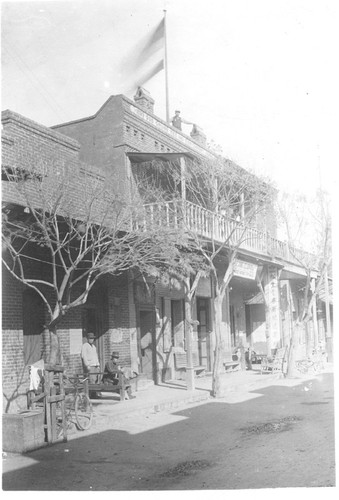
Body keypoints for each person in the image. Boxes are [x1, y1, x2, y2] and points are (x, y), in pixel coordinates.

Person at [81, 332, 101, 398]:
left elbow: (96, 356)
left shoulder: (94, 347)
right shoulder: (85, 346)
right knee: (91, 380)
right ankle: (92, 395)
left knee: (96, 379)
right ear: (87, 338)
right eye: (90, 338)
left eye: (92, 338)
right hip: (90, 365)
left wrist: (98, 365)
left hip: (95, 365)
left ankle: (96, 393)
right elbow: (84, 356)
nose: (91, 340)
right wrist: (87, 365)